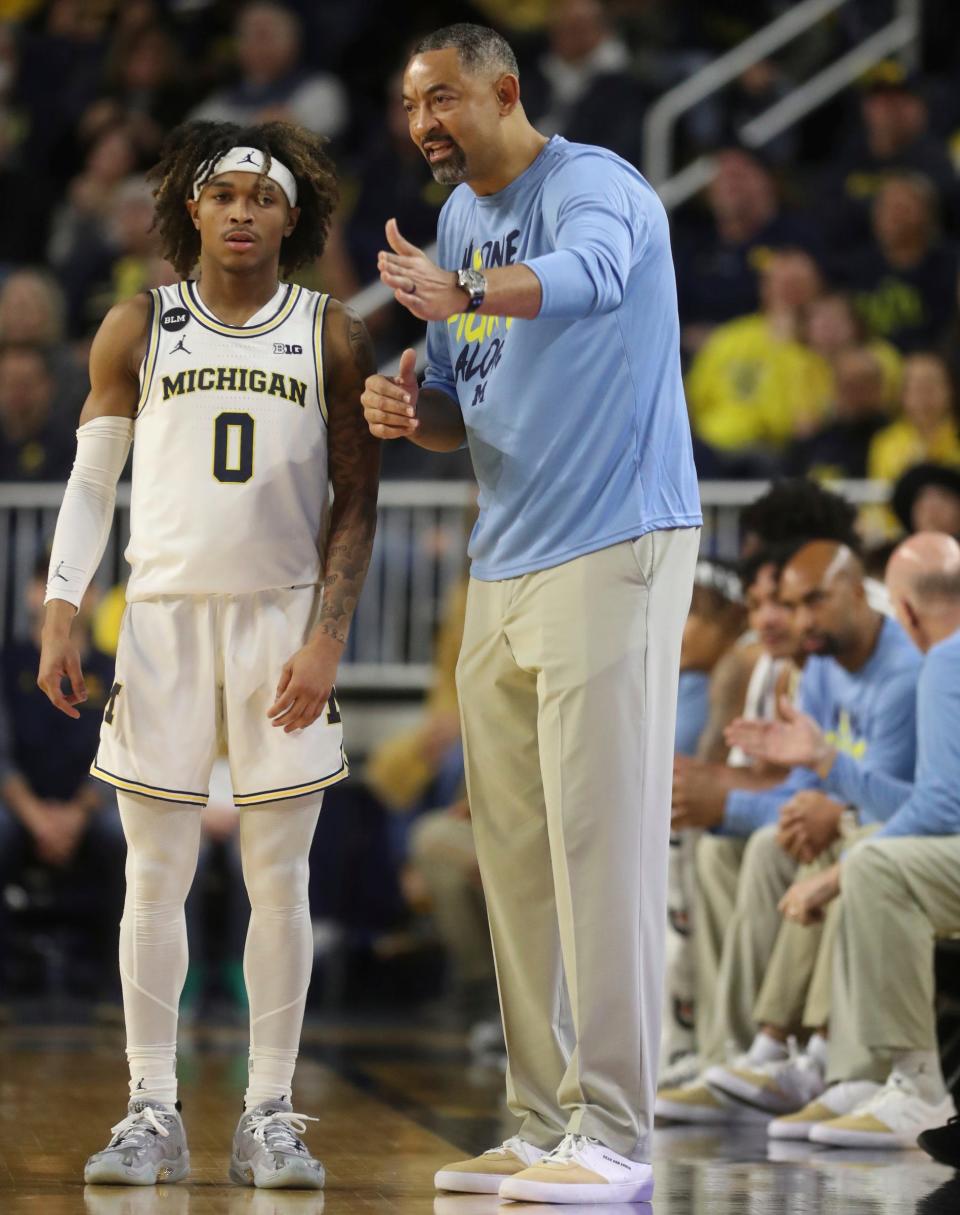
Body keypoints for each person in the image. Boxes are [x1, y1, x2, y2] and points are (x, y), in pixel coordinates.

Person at [361, 22, 701, 1206]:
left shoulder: (595, 185)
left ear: (505, 90)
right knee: (513, 854)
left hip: (618, 542)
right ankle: (543, 1117)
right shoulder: (456, 222)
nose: (424, 123)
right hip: (504, 562)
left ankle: (614, 1133)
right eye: (412, 105)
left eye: (443, 98)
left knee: (600, 843)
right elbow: (457, 393)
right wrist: (412, 415)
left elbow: (594, 278)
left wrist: (468, 291)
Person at [37, 118, 380, 1189]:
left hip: (282, 618)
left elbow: (356, 499)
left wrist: (328, 638)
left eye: (262, 197)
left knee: (280, 877)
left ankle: (270, 1113)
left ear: (292, 217)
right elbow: (95, 479)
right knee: (156, 872)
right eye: (224, 194)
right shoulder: (139, 325)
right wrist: (61, 600)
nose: (241, 210)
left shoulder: (330, 332)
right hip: (166, 616)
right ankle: (150, 1109)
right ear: (193, 207)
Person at [657, 540, 920, 1123]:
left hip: (888, 828)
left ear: (857, 592)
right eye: (786, 605)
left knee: (839, 843)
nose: (799, 620)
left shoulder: (903, 673)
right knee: (746, 848)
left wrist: (752, 798)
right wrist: (737, 806)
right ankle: (741, 1055)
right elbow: (806, 789)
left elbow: (895, 803)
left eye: (811, 602)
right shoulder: (822, 665)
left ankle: (817, 1055)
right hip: (851, 818)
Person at [735, 533, 960, 1150]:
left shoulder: (938, 661)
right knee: (855, 851)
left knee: (873, 863)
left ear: (903, 610)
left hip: (926, 836)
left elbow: (940, 805)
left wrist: (836, 868)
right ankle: (808, 1059)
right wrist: (825, 760)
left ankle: (909, 1083)